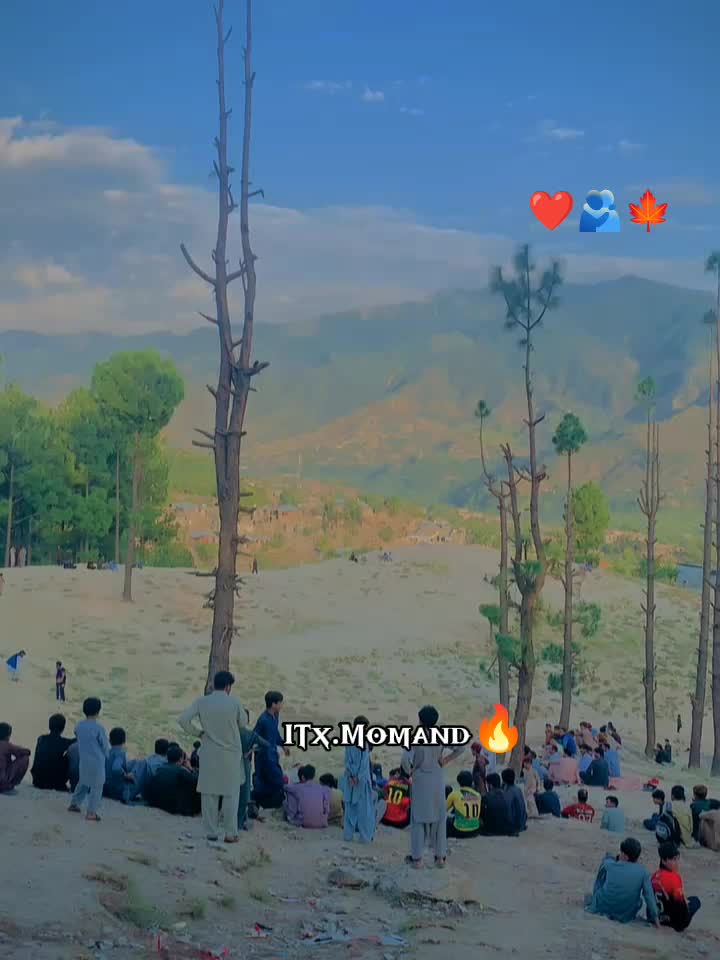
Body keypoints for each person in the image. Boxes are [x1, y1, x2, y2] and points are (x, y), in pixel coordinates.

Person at [179, 670, 248, 844]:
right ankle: (230, 833)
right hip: (230, 754)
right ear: (228, 686)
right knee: (230, 794)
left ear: (213, 684)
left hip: (209, 752)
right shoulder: (234, 702)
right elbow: (243, 723)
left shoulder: (202, 701)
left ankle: (211, 832)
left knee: (209, 793)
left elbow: (183, 720)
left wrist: (199, 733)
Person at [403, 705, 464, 867]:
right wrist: (445, 760)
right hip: (437, 779)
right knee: (439, 819)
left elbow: (405, 760)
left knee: (418, 819)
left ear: (421, 721)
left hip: (420, 780)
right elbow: (461, 747)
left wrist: (409, 772)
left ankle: (417, 859)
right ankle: (440, 857)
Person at [586, 838, 659, 926]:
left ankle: (594, 899)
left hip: (602, 907)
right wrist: (656, 919)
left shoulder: (610, 865)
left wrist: (611, 857)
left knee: (604, 869)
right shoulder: (643, 872)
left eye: (621, 852)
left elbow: (606, 860)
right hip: (625, 914)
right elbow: (649, 897)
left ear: (625, 856)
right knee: (638, 901)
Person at [68, 697, 109, 821]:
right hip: (97, 763)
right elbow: (105, 746)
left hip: (84, 760)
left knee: (83, 783)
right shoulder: (99, 728)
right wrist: (106, 755)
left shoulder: (79, 726)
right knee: (97, 787)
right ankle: (91, 812)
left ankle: (74, 804)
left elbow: (76, 734)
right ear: (98, 711)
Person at [341, 715, 378, 844]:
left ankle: (348, 835)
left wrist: (351, 776)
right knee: (364, 810)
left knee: (350, 808)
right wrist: (358, 777)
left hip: (350, 779)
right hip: (361, 781)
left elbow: (347, 761)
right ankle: (365, 837)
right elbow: (364, 764)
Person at [651, 842, 701, 931]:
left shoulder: (654, 876)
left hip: (659, 917)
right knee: (695, 901)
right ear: (663, 861)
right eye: (673, 860)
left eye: (677, 859)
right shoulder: (674, 878)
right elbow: (681, 907)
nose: (677, 863)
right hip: (673, 922)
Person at [252, 690, 289, 810]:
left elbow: (275, 733)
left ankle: (260, 802)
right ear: (273, 704)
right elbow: (254, 736)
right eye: (280, 703)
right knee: (275, 781)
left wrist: (283, 744)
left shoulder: (275, 716)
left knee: (272, 782)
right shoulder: (263, 720)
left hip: (272, 755)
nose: (281, 705)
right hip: (264, 757)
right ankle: (255, 799)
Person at [145, 744, 201, 817]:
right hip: (172, 807)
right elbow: (196, 781)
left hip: (155, 803)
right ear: (181, 759)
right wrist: (190, 768)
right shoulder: (180, 771)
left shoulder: (160, 768)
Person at [31, 714, 74, 791]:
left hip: (37, 780)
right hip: (55, 783)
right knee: (68, 756)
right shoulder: (64, 742)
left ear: (49, 726)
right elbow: (74, 741)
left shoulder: (41, 739)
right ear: (63, 728)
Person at [104, 728, 147, 803]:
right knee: (143, 764)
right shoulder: (120, 753)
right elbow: (116, 768)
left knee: (134, 762)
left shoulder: (107, 753)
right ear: (124, 741)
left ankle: (132, 772)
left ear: (110, 741)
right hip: (118, 793)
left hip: (106, 789)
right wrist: (126, 775)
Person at [284, 764, 330, 828]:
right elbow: (326, 807)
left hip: (303, 822)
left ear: (302, 777)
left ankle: (291, 816)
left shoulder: (297, 787)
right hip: (322, 822)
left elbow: (284, 787)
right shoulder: (322, 788)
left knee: (290, 793)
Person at [446, 770, 482, 838]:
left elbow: (443, 809)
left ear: (459, 782)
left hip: (460, 831)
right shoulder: (478, 795)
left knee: (447, 821)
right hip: (475, 830)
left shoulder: (455, 794)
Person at [0, 722, 31, 794]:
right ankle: (10, 784)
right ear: (7, 735)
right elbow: (24, 752)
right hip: (2, 782)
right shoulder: (6, 745)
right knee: (25, 758)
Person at [501, 768, 527, 833]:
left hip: (515, 826)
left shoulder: (508, 792)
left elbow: (508, 810)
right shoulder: (518, 789)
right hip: (522, 822)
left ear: (503, 780)